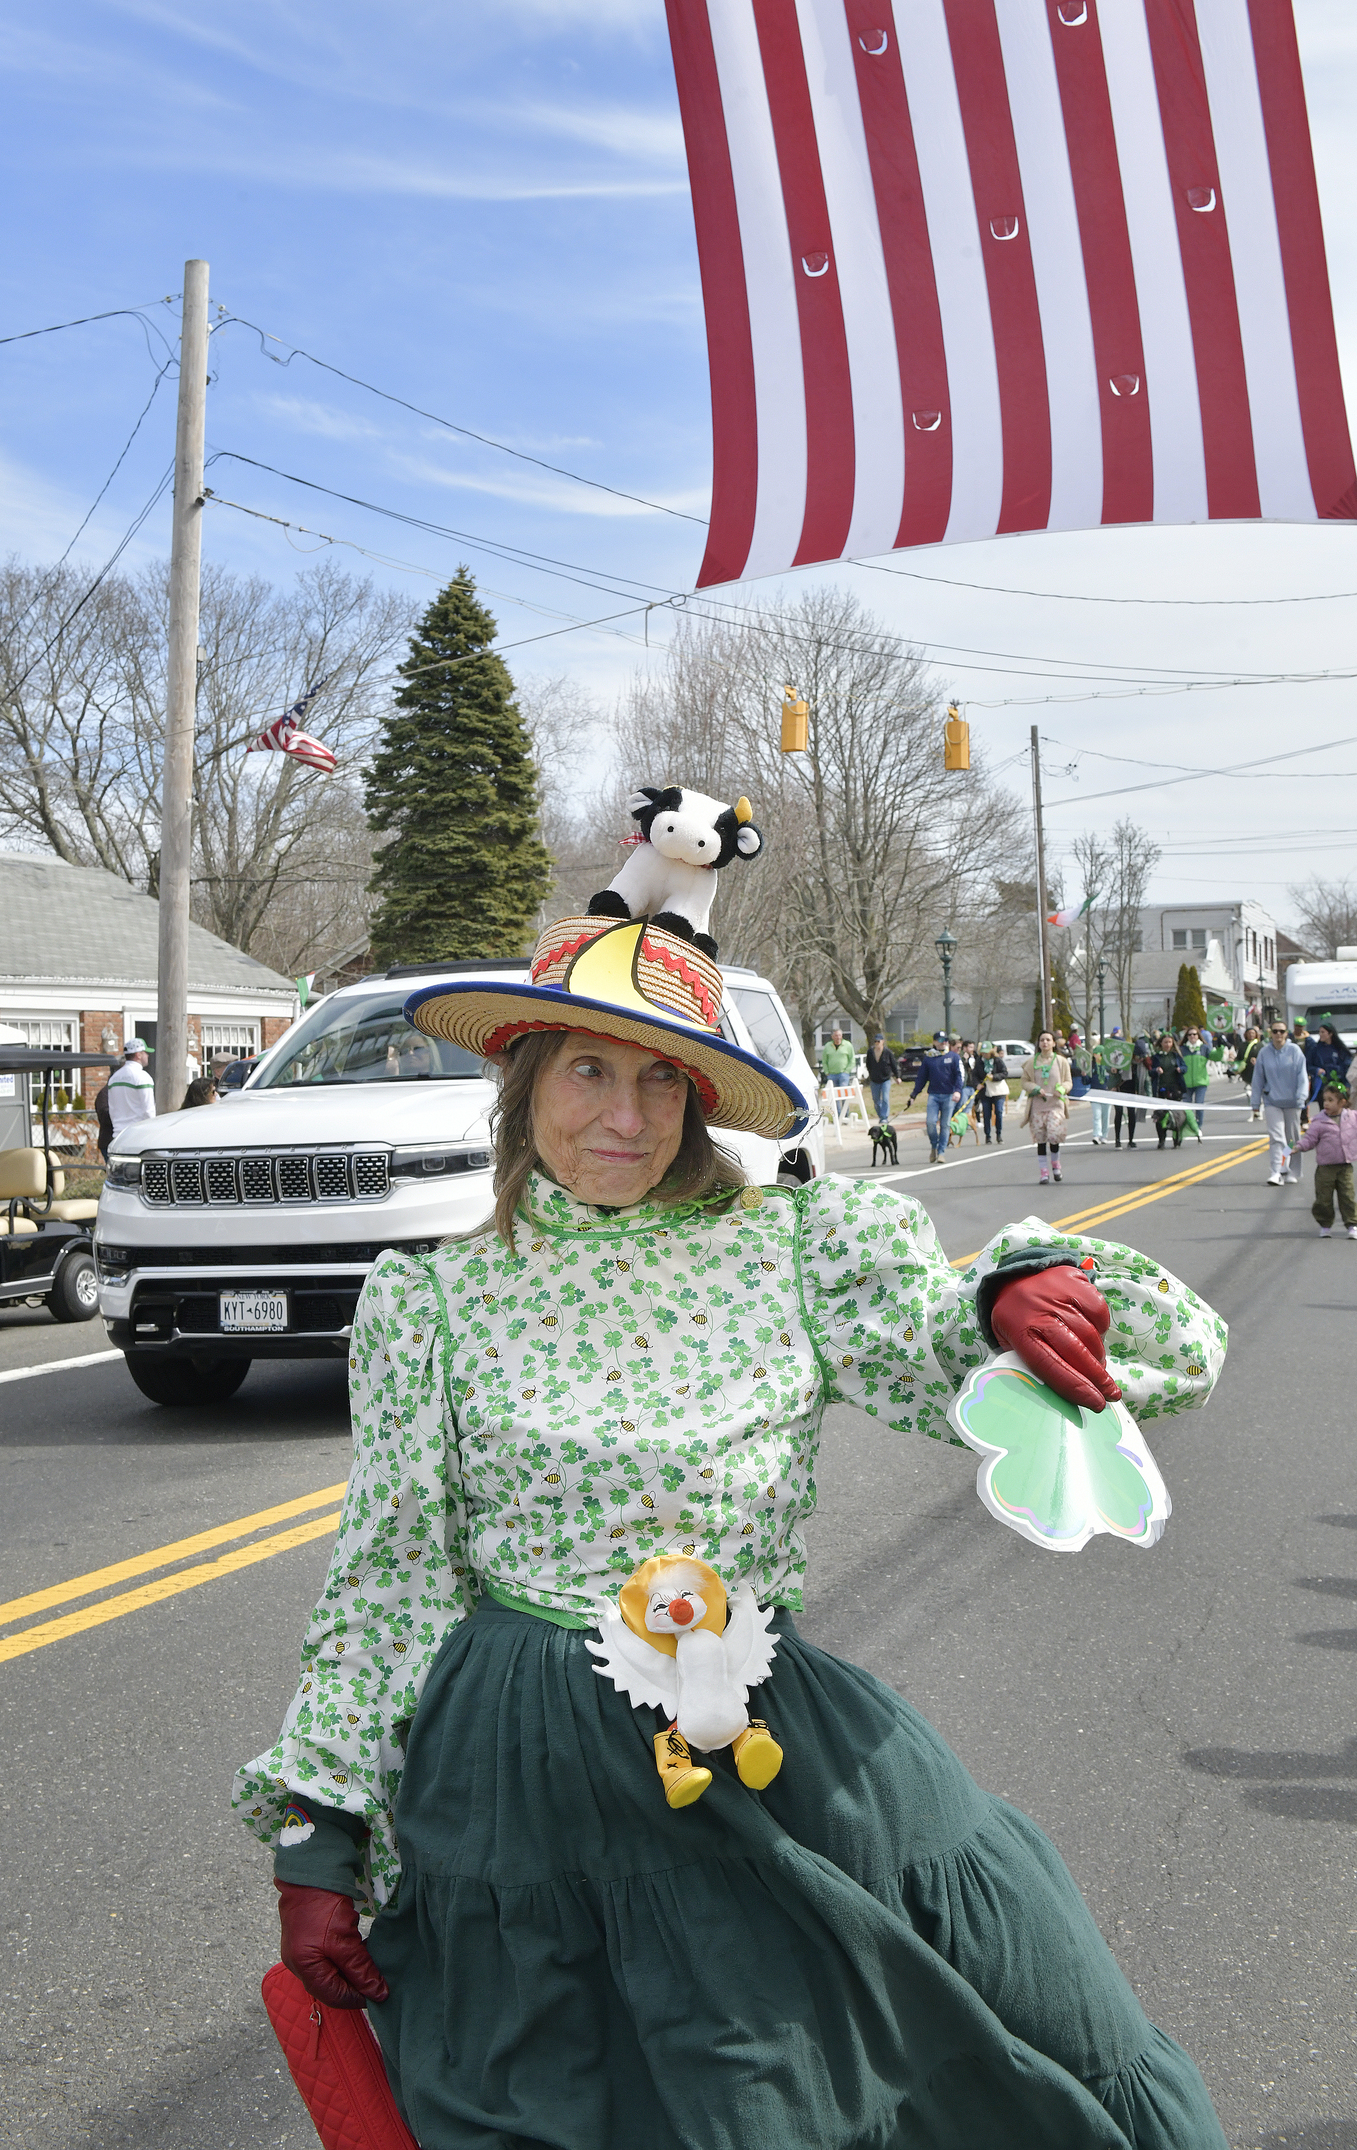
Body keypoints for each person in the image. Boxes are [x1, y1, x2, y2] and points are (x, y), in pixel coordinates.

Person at [241, 895, 1230, 2150]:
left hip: (749, 1751)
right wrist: (319, 1831)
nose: (626, 1117)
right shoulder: (431, 1298)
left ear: (704, 1101)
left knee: (850, 2077)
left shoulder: (793, 1250)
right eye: (589, 1070)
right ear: (521, 1075)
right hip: (516, 1789)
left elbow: (1126, 1358)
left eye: (666, 1081)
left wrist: (1013, 1297)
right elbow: (390, 1580)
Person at [1248, 1019, 1310, 1188]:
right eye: (1275, 1031)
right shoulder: (1264, 1052)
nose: (1278, 1035)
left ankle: (1291, 1170)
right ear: (1270, 1033)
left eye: (1281, 1031)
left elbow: (1302, 1076)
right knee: (1277, 1137)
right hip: (1272, 1100)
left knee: (1291, 1139)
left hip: (1292, 1101)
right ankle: (1276, 1171)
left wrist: (1301, 1096)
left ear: (1286, 1033)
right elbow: (1258, 1078)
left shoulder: (1295, 1051)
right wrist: (1255, 1102)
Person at [1294, 1078, 1357, 1238]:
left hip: (1345, 1166)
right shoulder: (1319, 1121)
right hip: (1325, 1168)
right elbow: (1310, 1139)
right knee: (1324, 1199)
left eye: (1331, 1100)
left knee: (1348, 1197)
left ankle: (1352, 1225)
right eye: (1325, 1100)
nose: (1326, 1104)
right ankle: (1325, 1225)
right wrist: (1298, 1146)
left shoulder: (1352, 1117)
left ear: (1342, 1102)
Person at [1019, 1030, 1072, 1184]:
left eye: (1048, 1040)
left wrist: (1062, 1089)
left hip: (1055, 1105)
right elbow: (1024, 1081)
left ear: (1054, 1043)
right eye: (1042, 1040)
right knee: (1041, 1139)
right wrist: (1034, 1088)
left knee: (1054, 1135)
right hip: (1037, 1107)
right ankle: (1044, 1172)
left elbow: (1068, 1081)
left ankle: (1056, 1166)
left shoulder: (1061, 1062)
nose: (1045, 1043)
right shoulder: (1031, 1062)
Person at [905, 1033, 964, 1165]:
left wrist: (958, 1091)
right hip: (934, 1095)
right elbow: (921, 1078)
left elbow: (959, 1076)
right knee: (931, 1123)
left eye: (946, 1040)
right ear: (934, 1042)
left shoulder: (953, 1057)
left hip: (949, 1095)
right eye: (940, 1040)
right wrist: (914, 1095)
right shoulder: (929, 1058)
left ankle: (941, 1152)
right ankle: (934, 1145)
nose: (943, 1043)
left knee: (945, 1125)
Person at [105, 1037, 155, 1132]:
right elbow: (148, 1110)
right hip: (138, 1133)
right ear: (138, 1055)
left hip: (118, 1133)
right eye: (145, 1052)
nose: (148, 1055)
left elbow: (112, 1109)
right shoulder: (143, 1077)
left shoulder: (114, 1078)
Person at [1151, 1035, 1187, 1151]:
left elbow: (1185, 1067)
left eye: (1170, 1042)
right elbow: (1150, 1071)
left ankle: (1177, 1139)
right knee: (1160, 1115)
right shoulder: (1156, 1057)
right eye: (1165, 1042)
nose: (1167, 1044)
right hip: (1161, 1089)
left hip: (1174, 1088)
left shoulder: (1175, 1056)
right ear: (1161, 1043)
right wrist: (1156, 1070)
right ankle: (1161, 1140)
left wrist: (1180, 1069)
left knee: (1176, 1115)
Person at [1306, 1022, 1351, 1106]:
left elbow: (1347, 1067)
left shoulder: (1340, 1049)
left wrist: (1347, 1085)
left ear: (1330, 1034)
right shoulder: (1315, 1049)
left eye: (1323, 1032)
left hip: (1338, 1085)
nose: (1320, 1034)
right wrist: (1316, 1070)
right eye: (1319, 1032)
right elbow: (1308, 1065)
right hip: (1322, 1087)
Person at [978, 1040, 1010, 1143]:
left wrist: (994, 1077)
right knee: (986, 1113)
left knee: (998, 1111)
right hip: (986, 1091)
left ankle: (999, 1134)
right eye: (983, 1052)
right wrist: (977, 1084)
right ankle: (988, 1136)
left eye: (986, 1052)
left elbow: (1004, 1073)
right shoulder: (979, 1061)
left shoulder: (997, 1060)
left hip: (998, 1090)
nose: (985, 1054)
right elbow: (974, 1075)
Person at [863, 1032, 897, 1126]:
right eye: (875, 1041)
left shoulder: (887, 1052)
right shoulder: (870, 1052)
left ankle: (884, 1117)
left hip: (885, 1079)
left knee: (885, 1098)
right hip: (874, 1079)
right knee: (876, 1100)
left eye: (879, 1041)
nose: (877, 1043)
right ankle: (881, 1115)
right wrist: (871, 1074)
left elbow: (893, 1065)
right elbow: (868, 1064)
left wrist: (897, 1077)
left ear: (883, 1042)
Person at [1180, 1029, 1209, 1140]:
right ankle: (1190, 1126)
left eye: (1194, 1034)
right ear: (1186, 1036)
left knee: (1199, 1104)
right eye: (1190, 1034)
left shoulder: (1204, 1048)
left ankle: (1198, 1127)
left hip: (1200, 1082)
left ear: (1198, 1036)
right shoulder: (1182, 1049)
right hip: (1186, 1082)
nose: (1192, 1036)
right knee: (1187, 1108)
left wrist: (1221, 1048)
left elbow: (1214, 1056)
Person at [1088, 1042, 1114, 1145]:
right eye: (1097, 1054)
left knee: (1105, 1116)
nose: (1099, 1056)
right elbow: (1086, 1081)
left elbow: (1114, 1078)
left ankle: (1104, 1135)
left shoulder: (1109, 1066)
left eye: (1101, 1054)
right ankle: (1096, 1135)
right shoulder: (1091, 1067)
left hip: (1107, 1094)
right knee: (1096, 1115)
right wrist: (1084, 1074)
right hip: (1094, 1093)